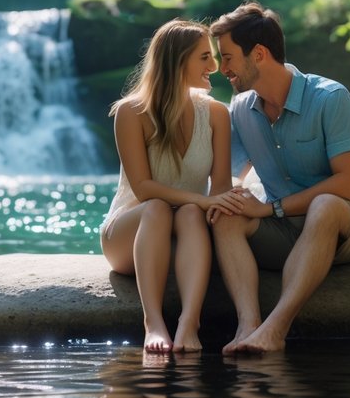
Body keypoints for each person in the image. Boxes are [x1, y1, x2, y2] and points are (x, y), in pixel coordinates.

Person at [208, 1, 350, 353]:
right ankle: (248, 326)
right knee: (227, 213)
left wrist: (270, 209)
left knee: (325, 205)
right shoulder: (241, 109)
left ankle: (276, 329)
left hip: (348, 226)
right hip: (288, 231)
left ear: (258, 54)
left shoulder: (330, 98)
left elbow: (349, 185)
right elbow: (226, 177)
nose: (221, 68)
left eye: (227, 57)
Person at [101, 18, 244, 353]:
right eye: (204, 58)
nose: (215, 66)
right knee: (159, 208)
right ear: (177, 61)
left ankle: (188, 323)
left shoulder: (216, 114)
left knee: (192, 212)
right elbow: (143, 188)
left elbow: (219, 187)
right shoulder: (130, 112)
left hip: (187, 229)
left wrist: (221, 204)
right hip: (130, 232)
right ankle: (153, 322)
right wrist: (202, 200)